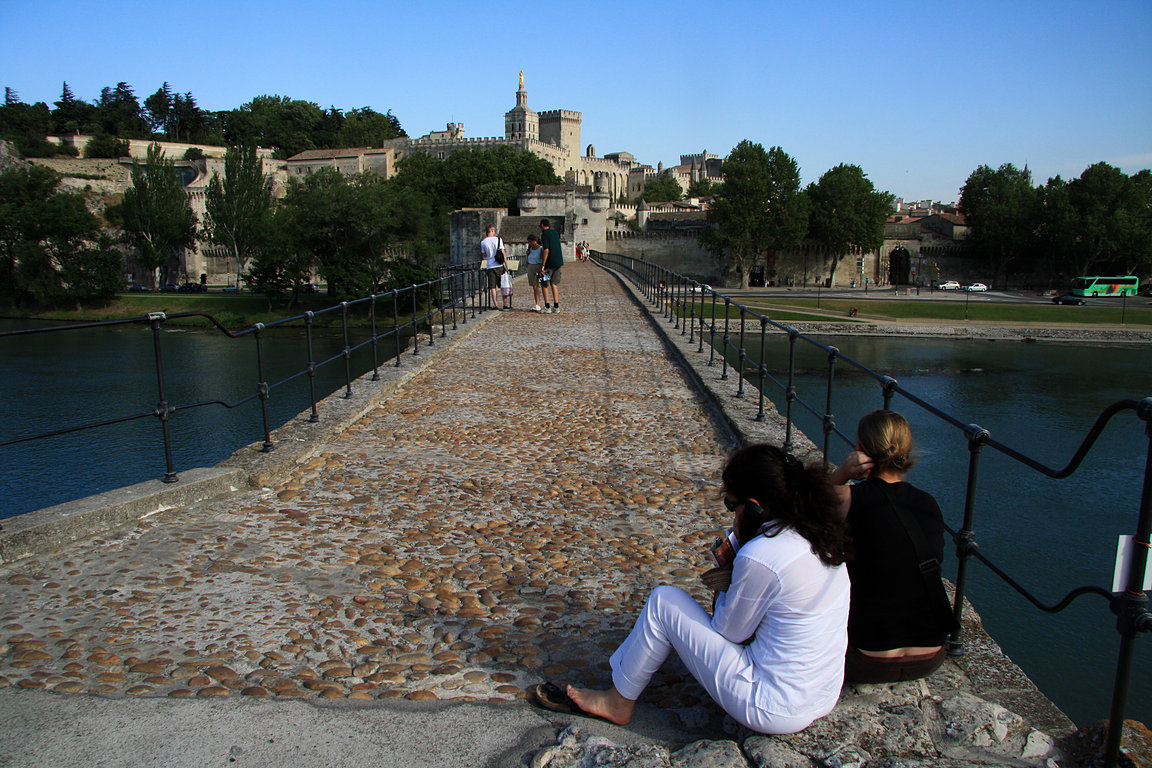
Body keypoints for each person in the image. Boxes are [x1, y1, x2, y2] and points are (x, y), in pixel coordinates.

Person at [533, 444, 851, 735]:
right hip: (822, 694)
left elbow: (729, 631)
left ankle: (617, 702)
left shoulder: (762, 556)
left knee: (663, 602)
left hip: (774, 707)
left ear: (754, 507)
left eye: (732, 505)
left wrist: (733, 567)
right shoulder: (819, 534)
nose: (732, 513)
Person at [830, 410, 958, 684]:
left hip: (865, 660)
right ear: (906, 451)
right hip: (931, 657)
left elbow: (800, 508)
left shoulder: (847, 498)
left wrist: (841, 473)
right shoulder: (929, 504)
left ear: (860, 450)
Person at [538, 218, 563, 314]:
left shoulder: (545, 234)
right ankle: (556, 306)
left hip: (549, 262)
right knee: (554, 284)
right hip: (558, 262)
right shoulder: (555, 233)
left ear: (543, 225)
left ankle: (547, 306)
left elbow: (546, 250)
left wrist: (543, 265)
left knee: (544, 284)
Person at [480, 225, 506, 310]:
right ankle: (505, 304)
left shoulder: (483, 242)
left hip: (490, 266)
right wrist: (506, 265)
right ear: (492, 230)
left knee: (492, 287)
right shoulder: (498, 239)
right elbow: (503, 252)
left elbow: (484, 254)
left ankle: (496, 304)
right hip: (499, 265)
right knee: (502, 285)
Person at [525, 234, 545, 312]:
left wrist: (542, 267)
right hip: (530, 267)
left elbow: (543, 258)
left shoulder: (540, 249)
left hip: (537, 267)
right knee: (534, 286)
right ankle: (537, 303)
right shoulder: (530, 249)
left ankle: (538, 304)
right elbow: (528, 259)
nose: (530, 243)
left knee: (536, 286)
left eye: (530, 241)